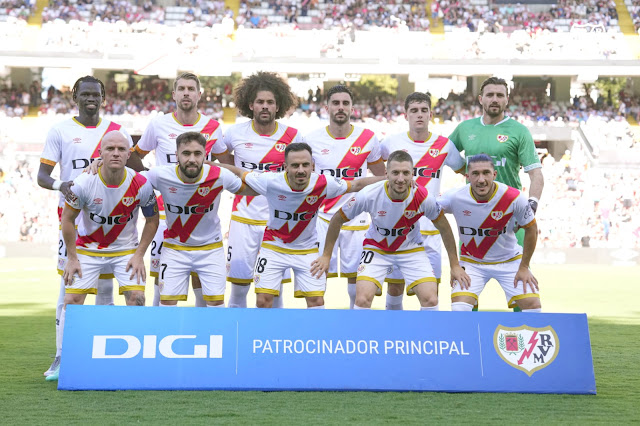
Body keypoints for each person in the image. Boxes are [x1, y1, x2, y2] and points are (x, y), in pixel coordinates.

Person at [37, 75, 134, 378]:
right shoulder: (60, 130)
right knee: (68, 287)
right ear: (75, 97)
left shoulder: (116, 132)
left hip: (110, 218)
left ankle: (102, 352)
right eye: (85, 94)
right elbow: (42, 175)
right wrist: (61, 185)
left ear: (104, 97)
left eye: (96, 94)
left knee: (106, 287)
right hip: (73, 220)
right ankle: (61, 355)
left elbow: (134, 166)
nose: (91, 99)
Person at [47, 131, 158, 381]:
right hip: (87, 250)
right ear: (100, 154)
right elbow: (67, 219)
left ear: (130, 154)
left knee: (137, 299)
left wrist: (140, 254)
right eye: (110, 149)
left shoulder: (141, 183)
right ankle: (63, 358)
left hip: (126, 251)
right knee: (72, 301)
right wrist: (72, 257)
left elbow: (152, 220)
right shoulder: (83, 183)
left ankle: (136, 359)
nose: (116, 153)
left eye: (121, 149)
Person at [222, 142, 383, 308]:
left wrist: (388, 179)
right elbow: (240, 173)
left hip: (306, 249)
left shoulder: (323, 183)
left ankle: (314, 334)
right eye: (295, 165)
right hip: (274, 247)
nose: (301, 170)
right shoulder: (270, 181)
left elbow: (357, 184)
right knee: (263, 301)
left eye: (305, 165)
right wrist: (211, 165)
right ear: (285, 167)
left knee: (317, 301)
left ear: (313, 166)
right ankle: (268, 334)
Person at [311, 150, 469, 310]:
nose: (401, 179)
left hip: (411, 250)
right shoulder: (369, 194)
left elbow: (444, 227)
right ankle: (361, 334)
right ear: (386, 173)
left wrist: (455, 265)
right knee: (362, 299)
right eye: (395, 173)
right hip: (377, 250)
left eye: (406, 173)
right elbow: (337, 219)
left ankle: (426, 335)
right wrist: (325, 255)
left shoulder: (423, 196)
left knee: (431, 299)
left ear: (412, 174)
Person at [127, 72, 231, 307]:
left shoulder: (213, 127)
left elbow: (226, 165)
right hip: (165, 216)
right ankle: (160, 335)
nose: (186, 93)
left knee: (202, 290)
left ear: (199, 94)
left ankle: (202, 340)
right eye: (181, 88)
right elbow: (135, 156)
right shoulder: (158, 124)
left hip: (200, 214)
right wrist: (150, 180)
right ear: (174, 94)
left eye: (191, 89)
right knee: (161, 287)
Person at [449, 76, 544, 311]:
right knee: (467, 292)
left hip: (510, 219)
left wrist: (531, 204)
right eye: (490, 95)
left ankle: (522, 342)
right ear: (481, 99)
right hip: (475, 218)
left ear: (507, 100)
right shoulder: (465, 129)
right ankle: (470, 342)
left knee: (521, 289)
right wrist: (465, 171)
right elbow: (445, 155)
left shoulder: (519, 131)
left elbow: (536, 174)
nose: (494, 99)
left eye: (500, 95)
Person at [145, 132, 254, 306]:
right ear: (176, 156)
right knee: (166, 306)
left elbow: (253, 189)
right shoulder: (159, 175)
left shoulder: (219, 175)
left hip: (211, 249)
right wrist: (99, 164)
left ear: (205, 155)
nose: (192, 159)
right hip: (175, 249)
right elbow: (128, 182)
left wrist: (234, 169)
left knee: (216, 307)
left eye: (197, 154)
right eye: (186, 153)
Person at [380, 92, 466, 310]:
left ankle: (430, 337)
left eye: (424, 110)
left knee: (431, 292)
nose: (419, 115)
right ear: (406, 114)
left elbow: (466, 172)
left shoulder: (444, 145)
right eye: (414, 110)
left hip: (431, 231)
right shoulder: (391, 143)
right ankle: (394, 335)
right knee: (395, 288)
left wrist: (450, 199)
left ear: (431, 114)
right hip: (398, 229)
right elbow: (375, 168)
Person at [223, 71, 300, 309]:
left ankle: (273, 341)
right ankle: (237, 341)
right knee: (238, 291)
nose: (265, 107)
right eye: (260, 102)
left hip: (277, 224)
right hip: (242, 221)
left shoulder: (293, 136)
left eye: (270, 102)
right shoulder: (234, 134)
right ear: (250, 105)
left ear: (279, 106)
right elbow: (225, 169)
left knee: (274, 293)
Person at [305, 85, 386, 309]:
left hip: (357, 220)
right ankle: (318, 334)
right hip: (322, 219)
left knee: (357, 286)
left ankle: (354, 332)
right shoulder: (311, 140)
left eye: (345, 103)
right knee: (316, 282)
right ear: (327, 107)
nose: (340, 108)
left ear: (352, 108)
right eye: (336, 103)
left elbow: (382, 179)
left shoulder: (368, 138)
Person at [438, 154, 541, 312]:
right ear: (467, 176)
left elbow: (532, 229)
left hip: (510, 261)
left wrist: (524, 267)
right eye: (475, 174)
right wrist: (454, 265)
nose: (481, 179)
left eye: (486, 173)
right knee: (459, 309)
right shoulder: (454, 197)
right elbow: (427, 207)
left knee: (533, 308)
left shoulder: (514, 197)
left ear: (494, 174)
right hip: (472, 263)